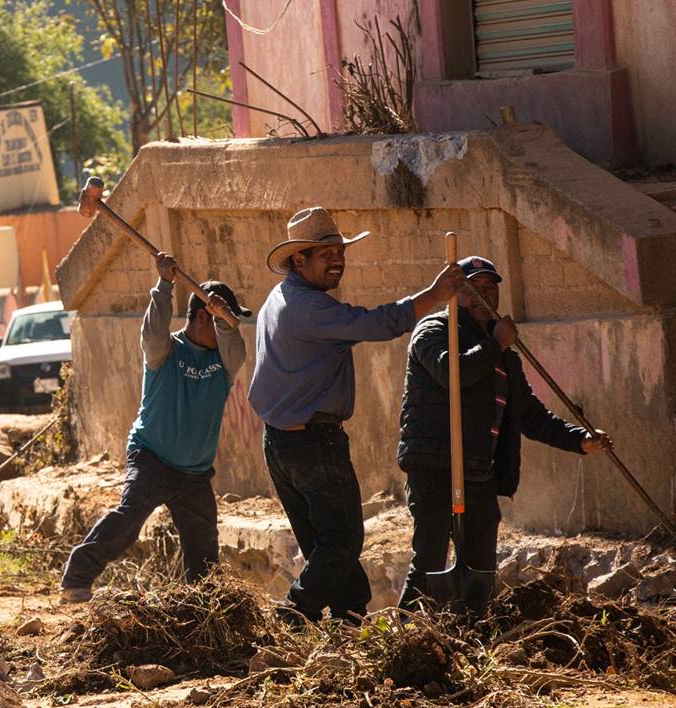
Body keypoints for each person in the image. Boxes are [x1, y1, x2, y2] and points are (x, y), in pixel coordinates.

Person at [249, 207, 466, 624]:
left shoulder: (281, 298)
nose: (338, 260)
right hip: (312, 443)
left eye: (340, 251)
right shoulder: (309, 308)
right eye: (326, 253)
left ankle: (350, 619)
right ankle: (293, 614)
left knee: (323, 543)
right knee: (343, 540)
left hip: (281, 441)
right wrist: (434, 296)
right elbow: (377, 323)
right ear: (299, 259)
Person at [396, 255, 613, 608]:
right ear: (456, 295)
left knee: (480, 567)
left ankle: (471, 631)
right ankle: (406, 635)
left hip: (478, 470)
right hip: (435, 466)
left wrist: (579, 440)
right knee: (430, 562)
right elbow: (453, 374)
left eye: (491, 289)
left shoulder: (505, 357)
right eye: (474, 289)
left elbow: (529, 415)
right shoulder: (435, 331)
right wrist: (495, 344)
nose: (484, 297)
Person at [59, 251, 249, 603]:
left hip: (194, 473)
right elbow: (152, 329)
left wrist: (224, 320)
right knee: (128, 519)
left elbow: (237, 347)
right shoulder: (164, 350)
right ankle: (77, 578)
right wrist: (163, 284)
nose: (230, 327)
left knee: (202, 544)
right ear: (202, 317)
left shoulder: (224, 361)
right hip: (152, 458)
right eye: (223, 320)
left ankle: (201, 605)